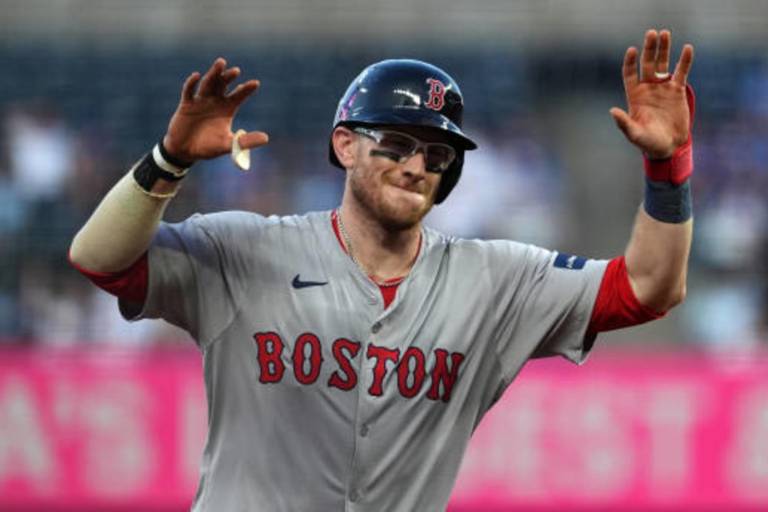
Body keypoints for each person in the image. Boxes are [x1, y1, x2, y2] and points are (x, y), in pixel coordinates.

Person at [70, 29, 694, 511]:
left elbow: (649, 288)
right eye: (395, 144)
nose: (416, 165)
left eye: (437, 154)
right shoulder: (245, 249)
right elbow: (99, 259)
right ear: (345, 145)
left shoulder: (494, 280)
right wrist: (169, 160)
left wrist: (668, 168)